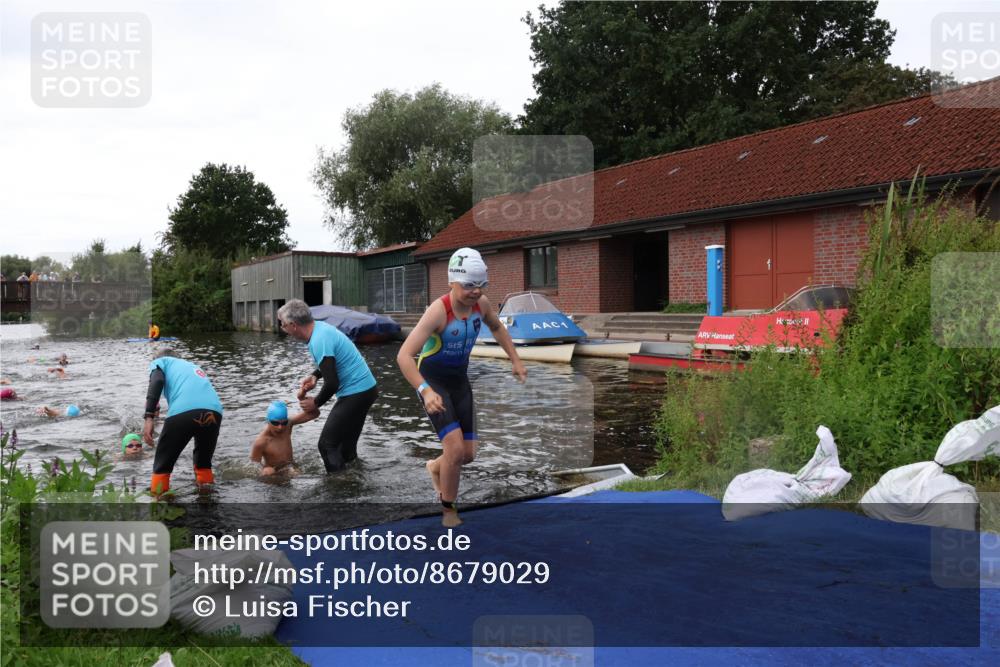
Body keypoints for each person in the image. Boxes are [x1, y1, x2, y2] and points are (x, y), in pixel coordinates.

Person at [396, 247, 527, 527]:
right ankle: (449, 510)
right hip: (434, 384)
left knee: (467, 455)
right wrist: (425, 391)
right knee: (454, 451)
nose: (475, 291)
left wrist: (515, 359)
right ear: (452, 282)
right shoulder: (438, 312)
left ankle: (435, 467)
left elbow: (497, 328)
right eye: (469, 285)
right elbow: (404, 356)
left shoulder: (483, 306)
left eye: (481, 285)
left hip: (460, 383)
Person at [276, 299, 378, 473]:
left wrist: (315, 402)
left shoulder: (318, 340)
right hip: (367, 390)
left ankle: (339, 486)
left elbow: (332, 383)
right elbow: (332, 360)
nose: (283, 329)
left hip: (356, 393)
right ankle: (355, 482)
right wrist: (315, 375)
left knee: (326, 445)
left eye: (283, 325)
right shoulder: (320, 329)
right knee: (345, 449)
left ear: (293, 325)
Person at [142, 348, 224, 495]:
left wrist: (149, 418)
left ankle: (159, 503)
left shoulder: (160, 362)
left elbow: (157, 380)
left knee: (163, 464)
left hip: (185, 410)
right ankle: (207, 500)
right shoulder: (192, 366)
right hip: (214, 410)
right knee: (203, 463)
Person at [249, 400, 319, 477]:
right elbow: (253, 468)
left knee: (296, 474)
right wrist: (266, 469)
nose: (280, 427)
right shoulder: (261, 442)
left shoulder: (288, 425)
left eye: (284, 423)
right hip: (274, 473)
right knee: (268, 472)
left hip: (290, 467)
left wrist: (303, 397)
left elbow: (315, 414)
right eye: (275, 423)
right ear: (268, 421)